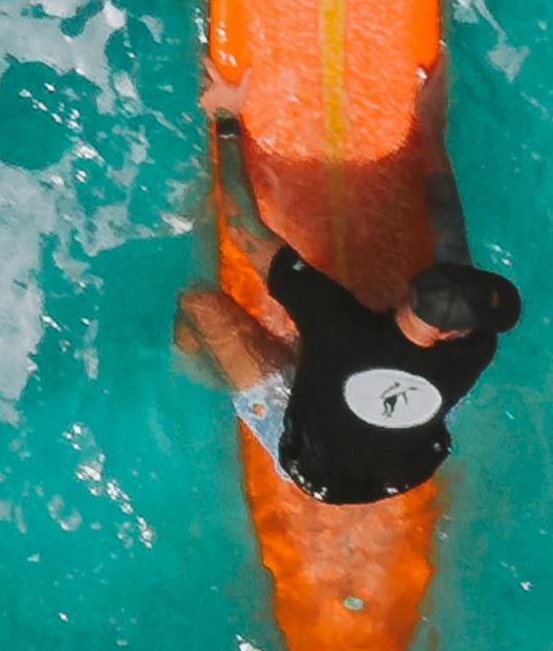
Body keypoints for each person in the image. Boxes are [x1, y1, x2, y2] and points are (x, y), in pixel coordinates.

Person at [172, 147, 522, 505]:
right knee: (331, 359)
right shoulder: (477, 349)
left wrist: (225, 118)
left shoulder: (332, 319)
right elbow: (451, 233)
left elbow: (241, 225)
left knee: (199, 306)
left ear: (409, 288)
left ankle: (188, 362)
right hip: (405, 470)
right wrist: (431, 133)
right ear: (447, 334)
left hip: (313, 471)